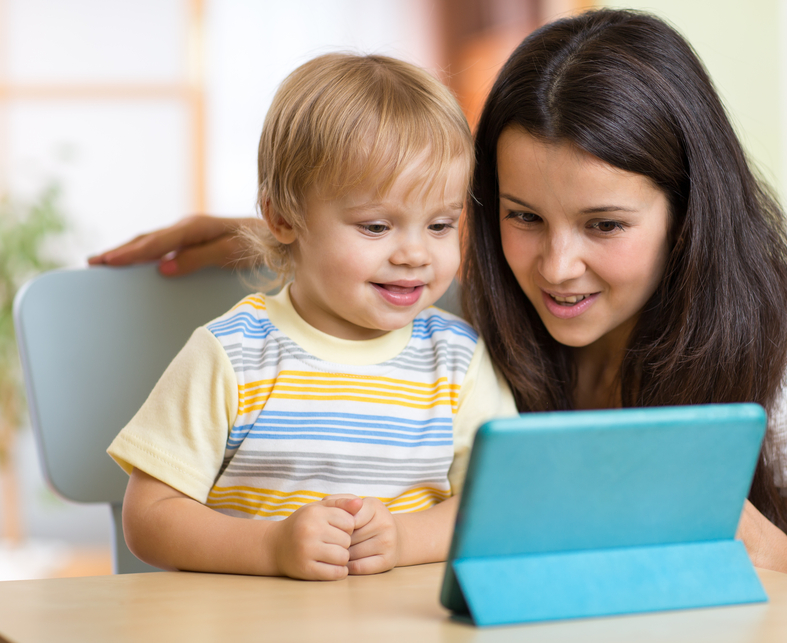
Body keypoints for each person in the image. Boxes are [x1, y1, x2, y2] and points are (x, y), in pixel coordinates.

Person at [93, 10, 787, 597]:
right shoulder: (471, 305)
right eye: (522, 216)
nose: (556, 268)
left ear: (691, 214)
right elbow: (387, 252)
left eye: (605, 225)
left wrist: (738, 535)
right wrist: (269, 234)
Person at [105, 53, 516, 581]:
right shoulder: (232, 354)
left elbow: (498, 506)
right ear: (281, 217)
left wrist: (403, 538)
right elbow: (149, 518)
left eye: (440, 225)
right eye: (375, 226)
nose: (416, 254)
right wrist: (271, 546)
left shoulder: (459, 360)